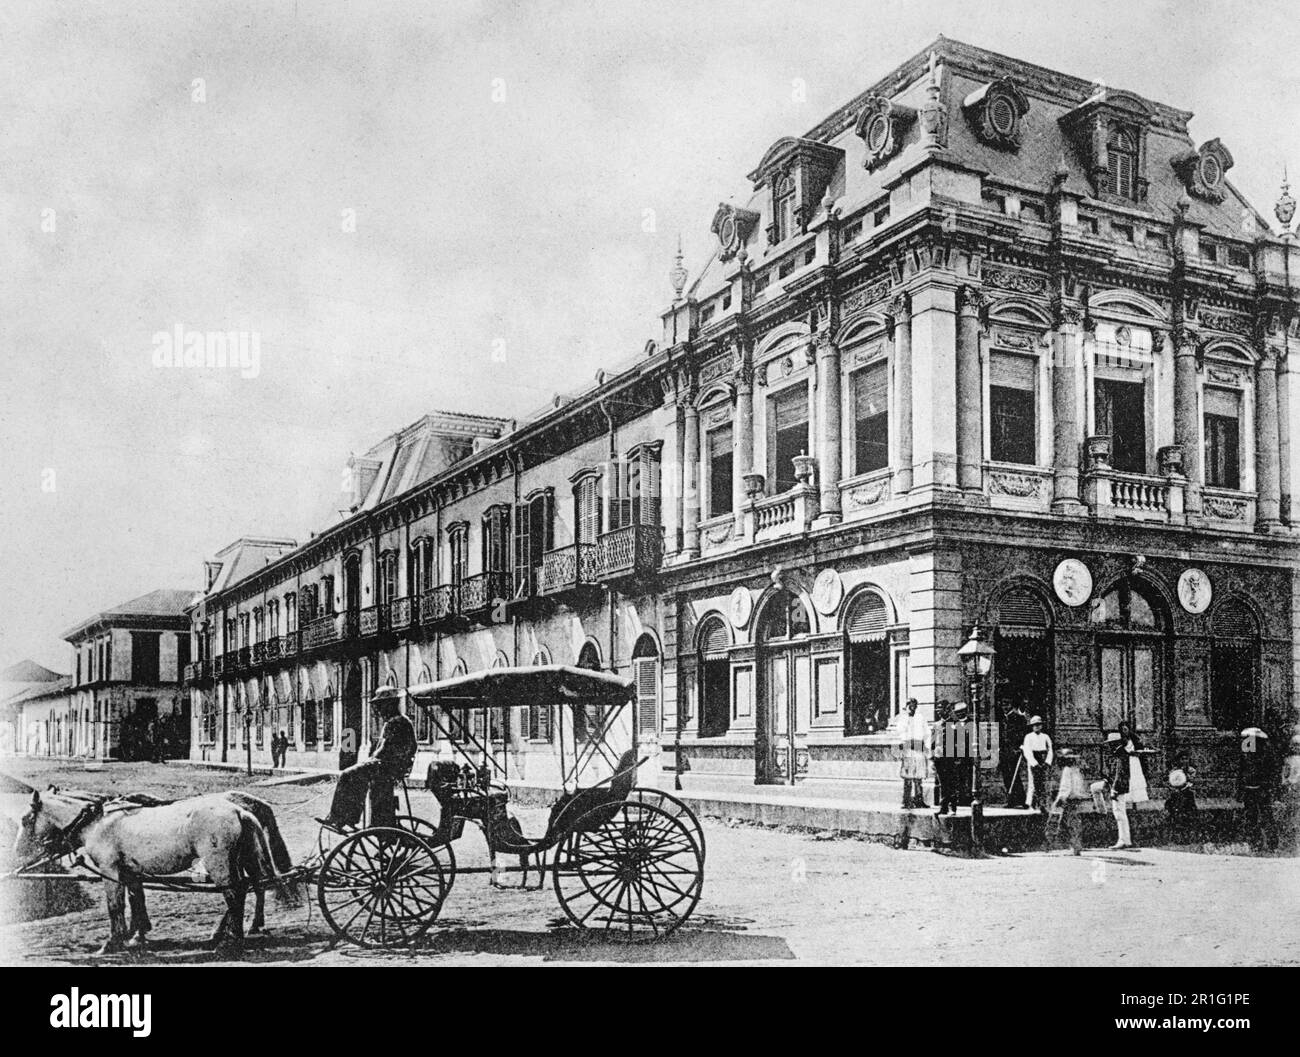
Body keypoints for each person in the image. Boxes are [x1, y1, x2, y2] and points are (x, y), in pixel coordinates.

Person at [319, 693, 417, 830]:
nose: (379, 711)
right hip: (391, 766)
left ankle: (342, 817)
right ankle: (356, 818)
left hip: (387, 766)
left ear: (389, 705)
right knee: (364, 781)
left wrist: (368, 762)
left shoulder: (396, 722)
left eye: (381, 707)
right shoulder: (400, 720)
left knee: (347, 775)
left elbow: (384, 750)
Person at [1239, 726, 1276, 854]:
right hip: (1250, 788)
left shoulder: (1265, 755)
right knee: (1252, 817)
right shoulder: (1248, 754)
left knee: (1264, 816)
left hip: (1260, 788)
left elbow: (1269, 772)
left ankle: (1270, 843)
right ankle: (1257, 843)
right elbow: (1243, 769)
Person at [1048, 748, 1090, 854]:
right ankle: (1076, 846)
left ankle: (1074, 846)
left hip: (1069, 798)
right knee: (1075, 822)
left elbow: (1065, 787)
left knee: (1071, 823)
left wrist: (1060, 799)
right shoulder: (1077, 770)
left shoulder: (1067, 770)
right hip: (1076, 798)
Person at [895, 698, 931, 810]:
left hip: (919, 749)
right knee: (908, 776)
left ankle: (919, 800)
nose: (912, 708)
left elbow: (926, 733)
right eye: (909, 706)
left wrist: (926, 746)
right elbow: (900, 733)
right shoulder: (902, 719)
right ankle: (906, 800)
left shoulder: (920, 718)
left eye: (914, 706)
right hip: (908, 750)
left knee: (918, 776)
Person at [1020, 715, 1054, 813]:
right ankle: (1030, 803)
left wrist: (1047, 762)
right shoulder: (1028, 737)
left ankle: (1042, 804)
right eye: (1034, 725)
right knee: (1033, 782)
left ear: (1041, 726)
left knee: (1043, 783)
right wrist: (1034, 763)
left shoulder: (1046, 737)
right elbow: (1027, 751)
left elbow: (1050, 750)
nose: (1037, 727)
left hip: (1043, 759)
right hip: (1034, 760)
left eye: (1038, 725)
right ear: (1032, 726)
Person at [1164, 754, 1200, 844]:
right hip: (1176, 794)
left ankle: (1188, 837)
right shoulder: (1174, 771)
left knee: (1188, 814)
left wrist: (1186, 778)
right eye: (1182, 759)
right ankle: (1177, 837)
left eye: (1186, 758)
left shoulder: (1191, 770)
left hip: (1187, 794)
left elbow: (1192, 782)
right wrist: (1174, 789)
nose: (1184, 761)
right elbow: (1170, 782)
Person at [1001, 703, 1030, 807]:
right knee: (1007, 776)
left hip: (1014, 751)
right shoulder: (1004, 719)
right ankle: (1012, 800)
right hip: (1004, 751)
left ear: (1011, 705)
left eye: (1006, 704)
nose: (1004, 707)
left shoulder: (1018, 718)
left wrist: (1020, 747)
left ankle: (1021, 800)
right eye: (1002, 705)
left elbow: (1023, 733)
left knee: (1014, 775)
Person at [931, 700, 955, 816]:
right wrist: (932, 758)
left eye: (941, 708)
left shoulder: (954, 723)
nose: (938, 711)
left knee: (952, 783)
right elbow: (932, 743)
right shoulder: (936, 725)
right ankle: (943, 807)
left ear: (947, 709)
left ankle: (952, 807)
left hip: (951, 758)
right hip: (939, 758)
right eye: (937, 708)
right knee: (942, 783)